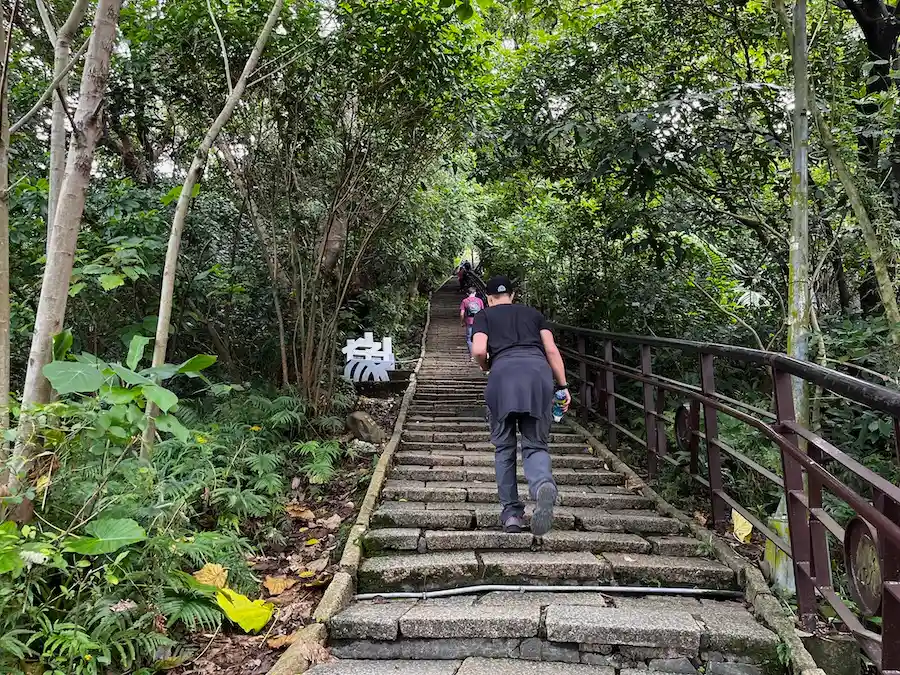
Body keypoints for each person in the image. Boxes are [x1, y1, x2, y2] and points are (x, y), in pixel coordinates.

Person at [470, 275, 571, 535]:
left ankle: (512, 514)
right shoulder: (534, 314)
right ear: (512, 295)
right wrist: (562, 386)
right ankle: (542, 486)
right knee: (535, 444)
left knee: (504, 448)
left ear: (488, 298)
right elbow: (551, 350)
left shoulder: (484, 316)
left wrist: (486, 367)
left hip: (503, 377)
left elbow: (480, 350)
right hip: (537, 375)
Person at [459, 286, 485, 357]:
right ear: (475, 293)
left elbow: (462, 314)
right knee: (479, 337)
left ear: (467, 293)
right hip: (478, 322)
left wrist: (462, 322)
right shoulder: (479, 300)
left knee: (469, 338)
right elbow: (482, 312)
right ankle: (480, 353)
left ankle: (472, 356)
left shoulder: (465, 301)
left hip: (469, 322)